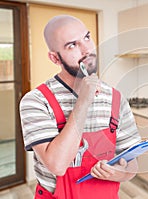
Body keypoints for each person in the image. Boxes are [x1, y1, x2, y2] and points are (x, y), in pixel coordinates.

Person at [19, 15, 141, 199]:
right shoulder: (36, 101)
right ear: (54, 58)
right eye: (72, 45)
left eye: (87, 37)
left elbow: (132, 164)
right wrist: (83, 102)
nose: (87, 49)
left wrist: (119, 173)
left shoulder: (115, 98)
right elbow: (57, 165)